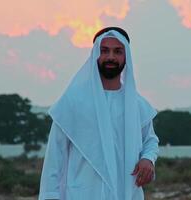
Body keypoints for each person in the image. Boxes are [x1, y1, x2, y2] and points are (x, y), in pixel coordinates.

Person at [38, 27, 159, 200]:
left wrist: (148, 159)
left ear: (126, 57)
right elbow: (55, 158)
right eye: (104, 51)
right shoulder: (73, 101)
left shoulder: (137, 105)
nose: (111, 57)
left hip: (125, 193)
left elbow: (150, 140)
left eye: (117, 51)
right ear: (96, 54)